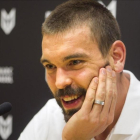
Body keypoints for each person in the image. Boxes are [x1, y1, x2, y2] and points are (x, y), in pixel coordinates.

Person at [18, 0, 140, 140]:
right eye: (50, 66)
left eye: (75, 62)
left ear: (116, 57)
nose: (60, 82)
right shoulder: (50, 116)